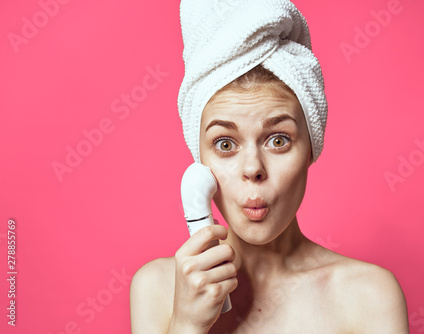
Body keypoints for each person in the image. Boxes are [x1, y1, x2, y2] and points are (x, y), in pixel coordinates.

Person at [130, 1, 409, 333]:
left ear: (311, 148)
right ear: (200, 163)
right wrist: (186, 324)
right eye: (225, 144)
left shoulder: (368, 297)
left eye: (278, 140)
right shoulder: (158, 289)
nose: (253, 169)